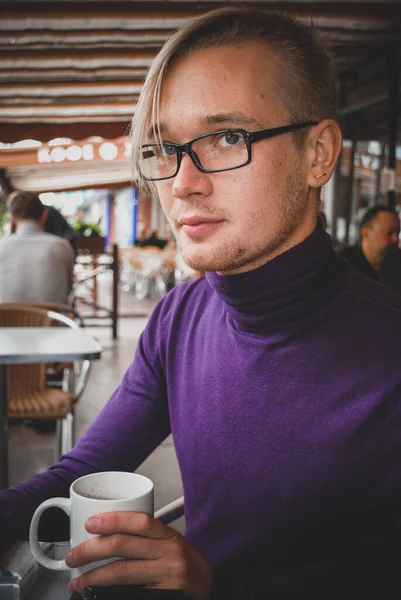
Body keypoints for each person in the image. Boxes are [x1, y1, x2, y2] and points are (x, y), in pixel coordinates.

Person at [1, 7, 401, 599]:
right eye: (165, 148)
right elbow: (76, 474)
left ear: (318, 154)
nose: (181, 182)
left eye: (225, 137)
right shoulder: (179, 317)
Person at [0, 190, 75, 305]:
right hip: (53, 321)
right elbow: (68, 288)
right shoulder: (62, 246)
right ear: (44, 215)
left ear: (12, 217)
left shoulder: (2, 246)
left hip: (7, 321)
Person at [338, 205, 401, 284]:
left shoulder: (397, 263)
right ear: (366, 233)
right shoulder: (343, 265)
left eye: (397, 233)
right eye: (389, 233)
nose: (395, 239)